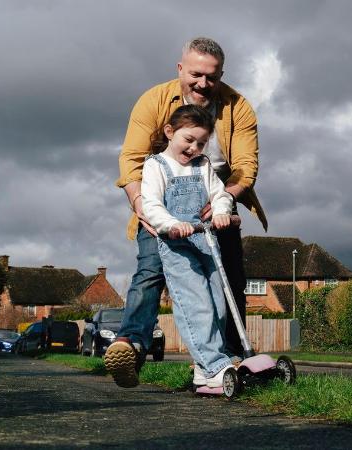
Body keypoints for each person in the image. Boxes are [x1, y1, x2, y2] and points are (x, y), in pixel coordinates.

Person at [107, 37, 267, 388]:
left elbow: (245, 166)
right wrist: (142, 207)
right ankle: (131, 344)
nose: (203, 84)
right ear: (180, 68)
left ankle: (225, 358)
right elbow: (131, 159)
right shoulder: (154, 101)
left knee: (227, 281)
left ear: (221, 75)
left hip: (217, 198)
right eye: (196, 74)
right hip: (159, 203)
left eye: (211, 77)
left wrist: (224, 199)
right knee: (150, 271)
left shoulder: (238, 107)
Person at [140, 104, 236, 387]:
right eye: (189, 140)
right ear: (170, 132)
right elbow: (152, 206)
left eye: (202, 143)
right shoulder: (156, 165)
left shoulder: (203, 165)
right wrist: (171, 224)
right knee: (196, 306)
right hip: (177, 247)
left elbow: (220, 194)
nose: (194, 148)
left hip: (206, 241)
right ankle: (214, 365)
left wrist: (220, 211)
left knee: (219, 305)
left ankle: (203, 370)